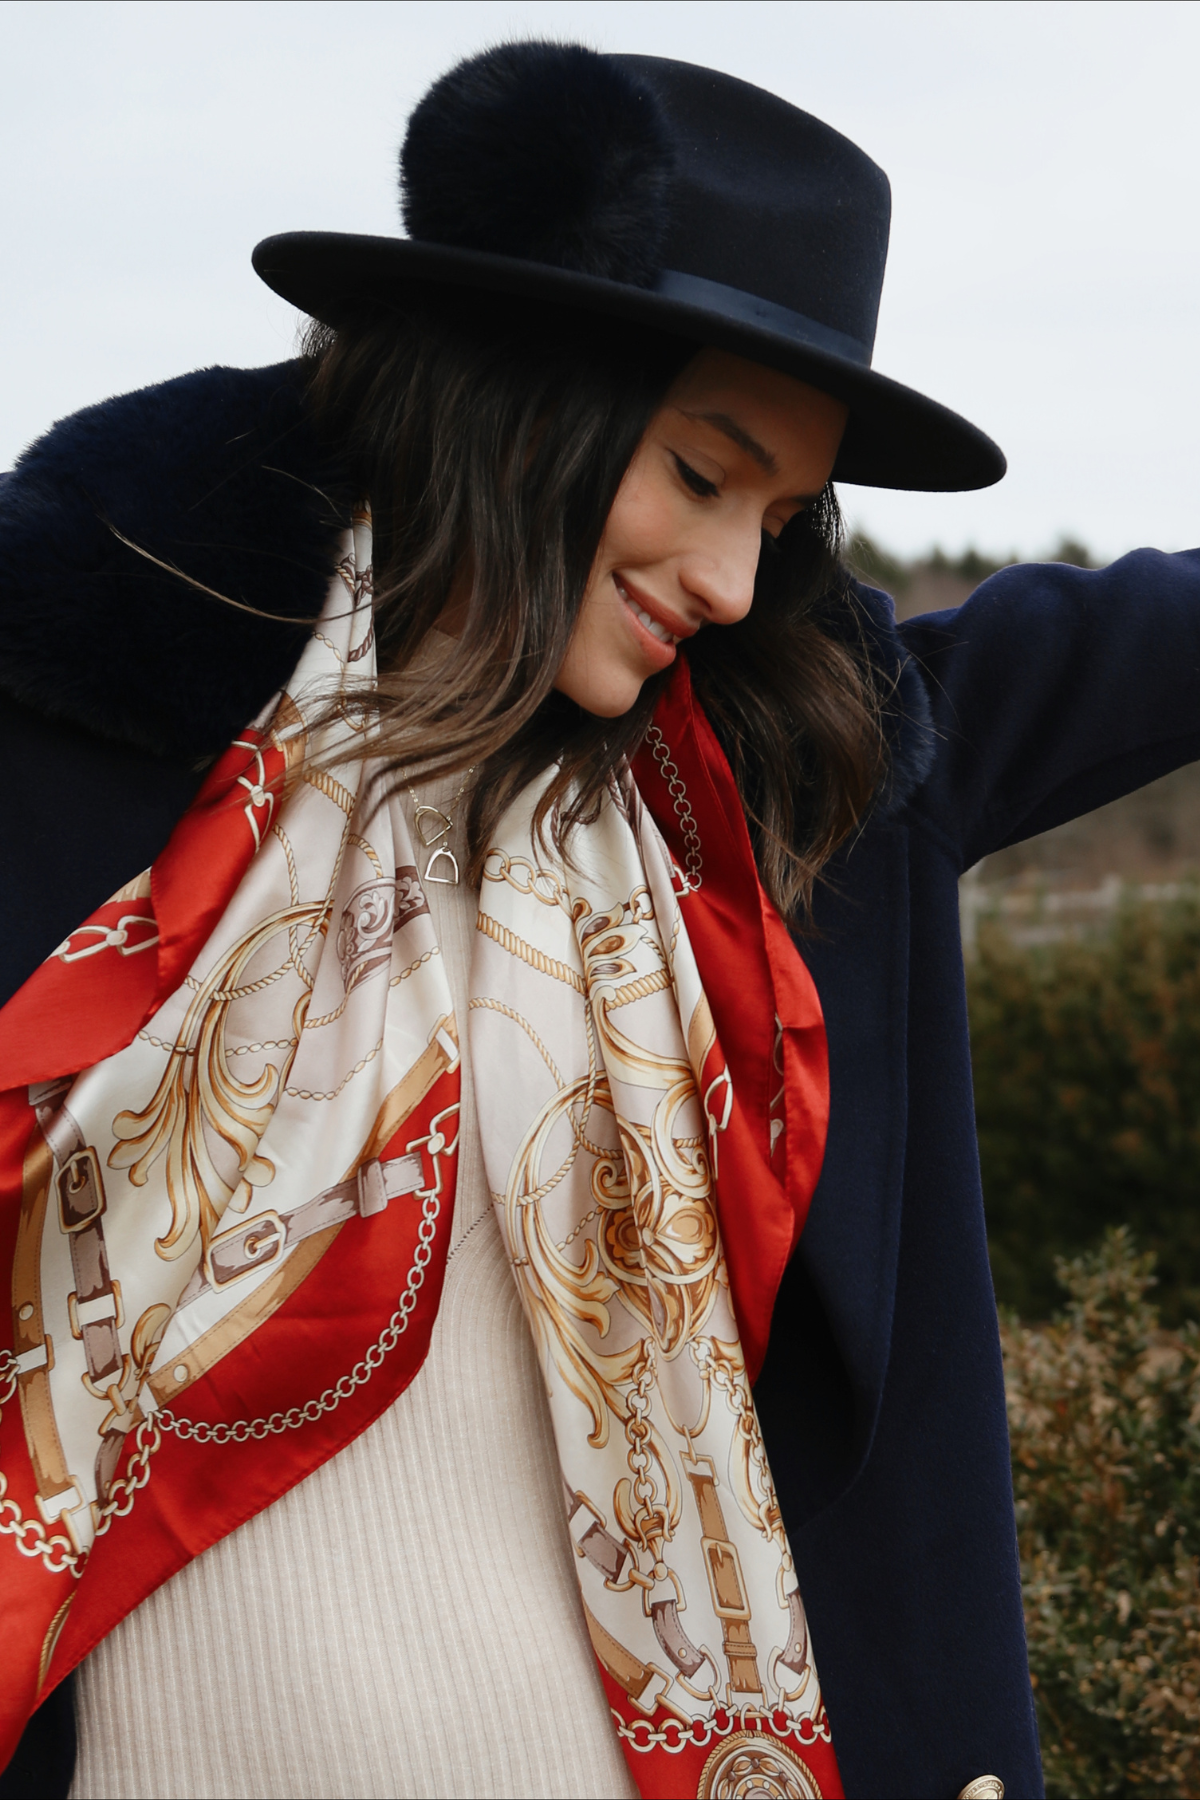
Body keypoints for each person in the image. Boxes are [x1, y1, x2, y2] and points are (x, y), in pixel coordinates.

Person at [0, 39, 1195, 1800]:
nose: (730, 583)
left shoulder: (793, 792)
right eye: (701, 477)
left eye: (783, 520)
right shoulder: (86, 691)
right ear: (515, 393)